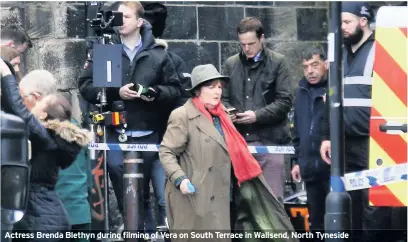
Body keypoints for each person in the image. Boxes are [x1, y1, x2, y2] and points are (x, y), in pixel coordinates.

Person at [159, 64, 298, 242]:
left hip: (223, 195)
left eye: (219, 86)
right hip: (194, 197)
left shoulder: (223, 114)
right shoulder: (182, 115)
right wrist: (180, 179)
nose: (217, 91)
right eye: (211, 87)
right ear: (197, 91)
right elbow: (166, 151)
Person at [78, 1, 181, 231]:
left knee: (143, 188)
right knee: (121, 178)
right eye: (117, 17)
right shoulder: (107, 50)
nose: (120, 21)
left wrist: (155, 93)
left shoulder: (157, 54)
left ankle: (146, 230)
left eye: (125, 16)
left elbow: (175, 90)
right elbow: (85, 86)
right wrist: (117, 91)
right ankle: (133, 229)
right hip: (116, 130)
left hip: (148, 130)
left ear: (140, 21)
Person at [320, 2, 393, 242]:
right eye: (339, 23)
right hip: (343, 142)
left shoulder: (382, 52)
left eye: (347, 22)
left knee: (372, 204)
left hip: (373, 142)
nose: (342, 28)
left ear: (363, 22)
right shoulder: (340, 55)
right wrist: (327, 136)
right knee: (348, 203)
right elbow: (329, 100)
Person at [1, 59, 91, 240]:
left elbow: (21, 112)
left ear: (43, 115)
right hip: (46, 215)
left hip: (42, 220)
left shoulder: (45, 138)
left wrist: (6, 73)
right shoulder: (55, 138)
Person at [221, 17, 293, 201]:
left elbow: (285, 101)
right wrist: (230, 112)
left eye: (251, 43)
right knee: (243, 203)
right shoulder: (231, 64)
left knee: (272, 201)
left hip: (270, 142)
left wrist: (257, 116)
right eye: (243, 44)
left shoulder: (278, 62)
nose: (247, 48)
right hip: (240, 142)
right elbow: (223, 97)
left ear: (262, 38)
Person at [291, 46, 329, 238]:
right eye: (305, 67)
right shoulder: (301, 91)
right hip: (309, 168)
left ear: (326, 64)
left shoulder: (335, 88)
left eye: (315, 65)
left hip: (332, 168)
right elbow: (297, 128)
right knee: (316, 224)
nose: (310, 71)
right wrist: (297, 161)